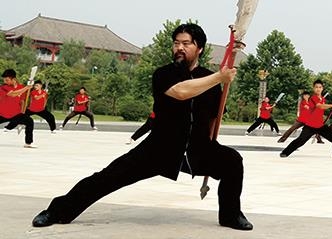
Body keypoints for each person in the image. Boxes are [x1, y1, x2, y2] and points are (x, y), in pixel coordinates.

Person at [31, 23, 253, 230]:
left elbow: (215, 115)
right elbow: (182, 92)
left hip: (197, 149)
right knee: (106, 178)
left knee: (232, 162)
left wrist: (228, 58)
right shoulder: (164, 74)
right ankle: (56, 211)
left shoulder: (211, 78)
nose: (179, 48)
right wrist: (218, 77)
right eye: (176, 43)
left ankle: (230, 215)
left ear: (200, 49)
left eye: (186, 44)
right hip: (159, 148)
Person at [279, 80, 332, 158]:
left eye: (320, 87)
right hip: (310, 126)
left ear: (322, 88)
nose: (318, 89)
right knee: (300, 141)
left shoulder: (322, 99)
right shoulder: (313, 98)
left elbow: (323, 107)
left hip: (320, 126)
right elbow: (320, 106)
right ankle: (285, 152)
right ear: (313, 88)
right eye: (316, 87)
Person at [0, 69, 36, 148]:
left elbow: (22, 101)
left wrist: (22, 113)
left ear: (14, 79)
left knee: (29, 121)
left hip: (15, 114)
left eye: (7, 80)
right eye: (4, 80)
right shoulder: (3, 87)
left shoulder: (21, 87)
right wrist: (26, 88)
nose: (5, 81)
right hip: (2, 113)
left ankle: (28, 143)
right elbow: (12, 94)